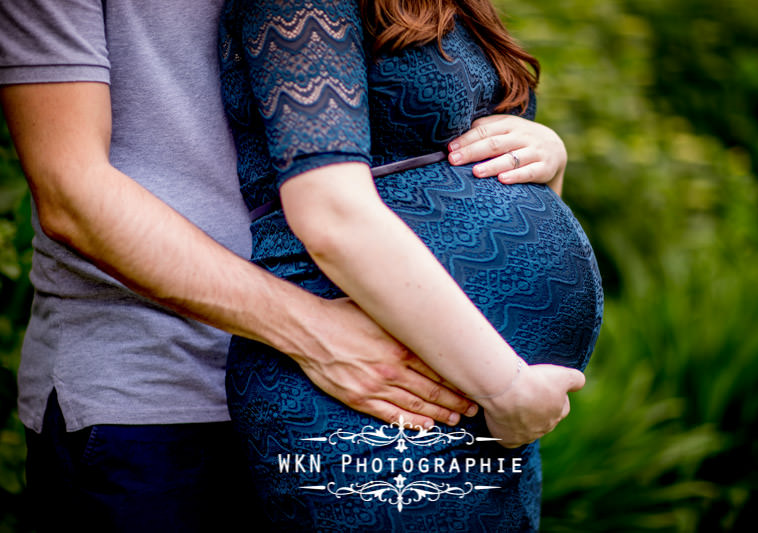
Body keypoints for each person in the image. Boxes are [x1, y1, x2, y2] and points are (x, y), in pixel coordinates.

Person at [0, 1, 576, 531]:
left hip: (392, 378)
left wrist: (533, 154)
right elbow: (72, 190)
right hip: (158, 393)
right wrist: (316, 333)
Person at [219, 0, 604, 531]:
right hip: (376, 397)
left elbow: (482, 190)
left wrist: (547, 156)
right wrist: (505, 389)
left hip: (481, 389)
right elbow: (330, 213)